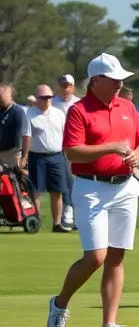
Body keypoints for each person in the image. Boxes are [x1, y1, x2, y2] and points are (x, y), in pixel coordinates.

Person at [46, 53, 139, 327]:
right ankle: (60, 304)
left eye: (121, 79)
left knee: (116, 257)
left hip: (124, 187)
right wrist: (111, 148)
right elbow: (72, 151)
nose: (119, 83)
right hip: (90, 188)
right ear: (96, 81)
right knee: (95, 256)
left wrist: (135, 155)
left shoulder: (128, 107)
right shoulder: (80, 110)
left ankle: (109, 325)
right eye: (114, 79)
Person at [24, 85, 73, 232]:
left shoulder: (58, 114)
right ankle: (36, 221)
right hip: (37, 156)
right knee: (36, 191)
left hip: (57, 156)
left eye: (49, 97)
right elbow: (27, 136)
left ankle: (57, 223)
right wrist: (24, 155)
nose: (46, 100)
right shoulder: (30, 115)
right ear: (37, 98)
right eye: (43, 98)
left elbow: (66, 135)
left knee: (57, 191)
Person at [51, 74, 81, 228]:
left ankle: (78, 213)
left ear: (73, 86)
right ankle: (68, 211)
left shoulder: (78, 103)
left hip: (77, 147)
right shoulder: (52, 103)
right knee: (66, 181)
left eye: (68, 85)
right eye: (63, 85)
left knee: (78, 181)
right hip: (58, 148)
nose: (65, 88)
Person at [0, 83, 30, 170]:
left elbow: (26, 135)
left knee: (13, 179)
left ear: (11, 96)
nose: (1, 96)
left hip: (12, 153)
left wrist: (24, 157)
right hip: (1, 152)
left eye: (4, 93)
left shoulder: (18, 112)